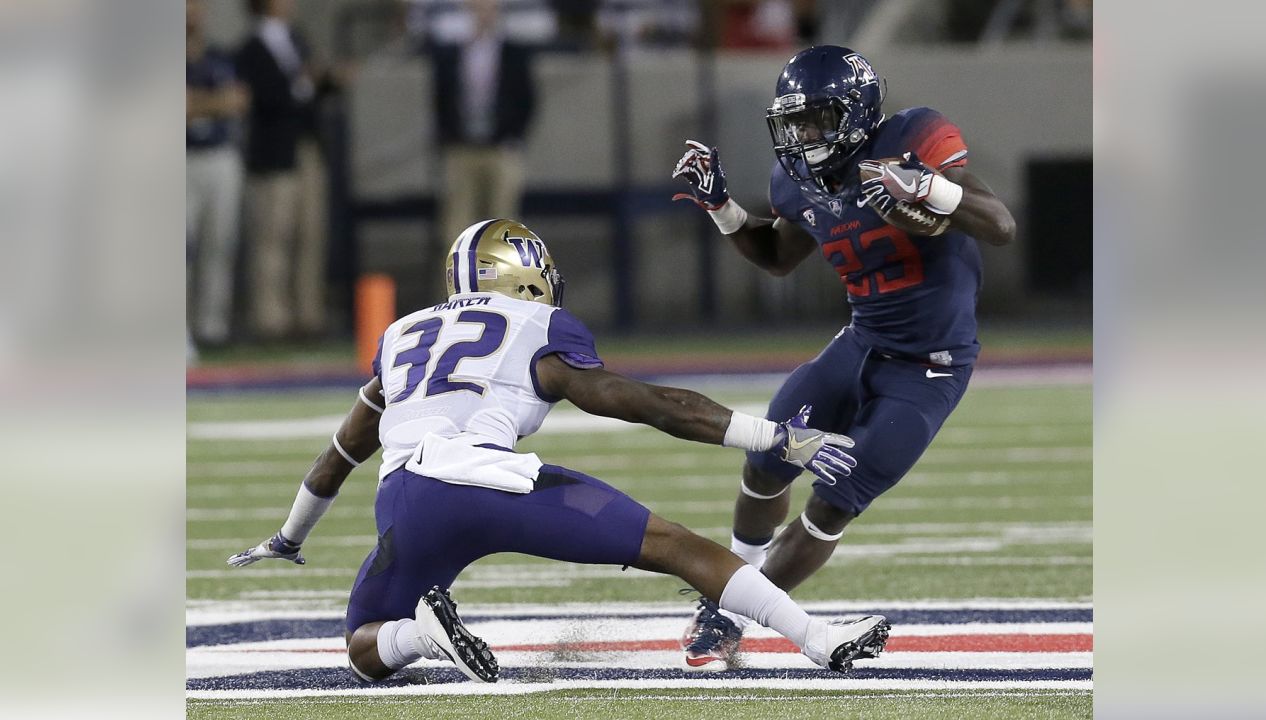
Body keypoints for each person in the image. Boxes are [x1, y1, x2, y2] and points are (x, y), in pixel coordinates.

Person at [227, 219, 891, 683]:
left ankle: (420, 635)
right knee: (681, 548)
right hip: (492, 483)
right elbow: (642, 403)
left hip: (404, 501)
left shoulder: (400, 336)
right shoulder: (536, 323)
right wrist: (776, 436)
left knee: (364, 645)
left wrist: (288, 537)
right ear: (520, 275)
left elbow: (337, 457)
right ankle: (817, 638)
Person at [671, 45, 1016, 671]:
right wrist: (721, 207)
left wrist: (931, 190)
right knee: (767, 455)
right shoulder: (796, 180)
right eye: (794, 123)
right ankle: (734, 579)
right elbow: (778, 256)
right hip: (860, 341)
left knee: (834, 496)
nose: (803, 138)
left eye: (816, 121)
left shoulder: (914, 140)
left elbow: (999, 224)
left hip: (929, 365)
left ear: (856, 116)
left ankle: (733, 614)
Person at [236, 0, 334, 341]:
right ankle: (270, 319)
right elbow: (266, 98)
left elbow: (310, 91)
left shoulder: (298, 38)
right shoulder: (250, 48)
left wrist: (324, 80)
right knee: (273, 237)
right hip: (275, 154)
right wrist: (303, 82)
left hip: (306, 147)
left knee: (311, 234)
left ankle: (308, 315)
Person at [431, 0, 537, 246]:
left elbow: (527, 100)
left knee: (504, 229)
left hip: (501, 148)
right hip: (461, 148)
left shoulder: (513, 53)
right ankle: (460, 283)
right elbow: (441, 98)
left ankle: (504, 284)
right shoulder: (454, 52)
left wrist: (514, 136)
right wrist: (448, 136)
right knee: (457, 227)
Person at [186, 0, 247, 348]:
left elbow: (239, 100)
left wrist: (198, 104)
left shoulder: (218, 55)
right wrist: (216, 102)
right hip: (181, 157)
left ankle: (212, 329)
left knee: (219, 245)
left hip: (220, 157)